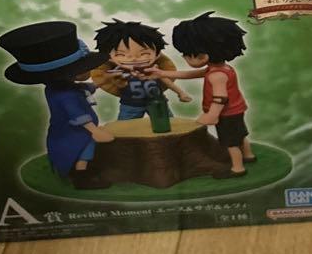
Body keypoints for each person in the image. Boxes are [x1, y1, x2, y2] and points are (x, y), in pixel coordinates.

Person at [0, 21, 114, 190]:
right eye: (83, 68)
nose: (89, 70)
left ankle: (84, 170)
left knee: (86, 152)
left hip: (73, 132)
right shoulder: (65, 94)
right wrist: (95, 131)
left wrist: (103, 82)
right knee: (82, 153)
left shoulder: (60, 88)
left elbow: (85, 89)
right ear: (68, 73)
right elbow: (77, 115)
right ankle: (81, 177)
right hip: (73, 134)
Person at [148, 11, 253, 177]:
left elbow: (220, 98)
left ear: (203, 56)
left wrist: (212, 115)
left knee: (230, 142)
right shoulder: (221, 68)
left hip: (226, 114)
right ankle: (248, 155)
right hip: (236, 110)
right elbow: (190, 74)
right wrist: (162, 73)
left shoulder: (216, 75)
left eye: (188, 55)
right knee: (240, 134)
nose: (185, 58)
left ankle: (237, 168)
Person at [91, 19, 192, 120]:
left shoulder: (154, 70)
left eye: (144, 54)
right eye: (121, 55)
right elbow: (104, 80)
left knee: (166, 124)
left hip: (158, 102)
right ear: (109, 58)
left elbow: (166, 80)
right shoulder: (117, 71)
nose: (134, 59)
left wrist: (181, 93)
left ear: (157, 54)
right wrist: (89, 88)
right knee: (125, 127)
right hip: (130, 105)